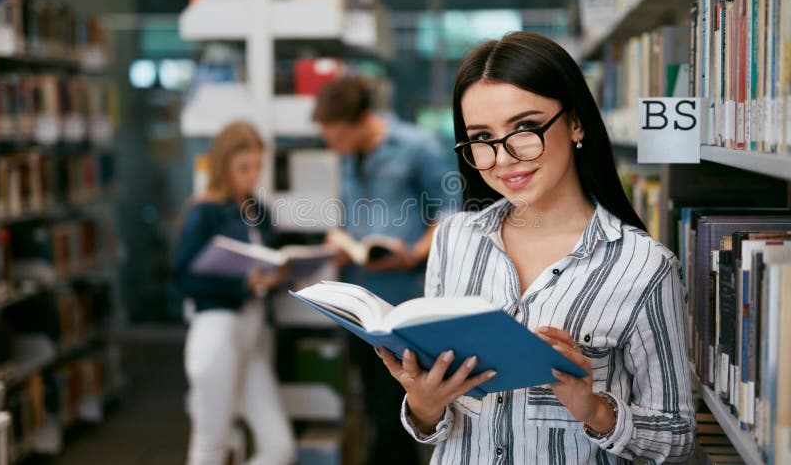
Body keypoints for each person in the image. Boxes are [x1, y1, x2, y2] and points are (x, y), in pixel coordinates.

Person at [376, 32, 696, 464]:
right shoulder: (454, 240)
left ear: (576, 122)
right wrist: (424, 405)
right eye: (482, 137)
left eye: (525, 128)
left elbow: (678, 437)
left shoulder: (644, 267)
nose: (503, 158)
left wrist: (595, 410)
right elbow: (438, 425)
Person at [312, 76, 460, 464]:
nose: (333, 145)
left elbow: (451, 211)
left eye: (338, 135)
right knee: (374, 406)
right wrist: (343, 245)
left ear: (363, 119)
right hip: (356, 298)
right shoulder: (349, 156)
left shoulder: (416, 147)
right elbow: (351, 217)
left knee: (398, 404)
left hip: (402, 298)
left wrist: (414, 253)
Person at [172, 122, 295, 465]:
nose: (252, 176)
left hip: (252, 333)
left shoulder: (259, 211)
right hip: (217, 330)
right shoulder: (204, 211)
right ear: (223, 165)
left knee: (279, 447)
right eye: (244, 167)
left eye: (258, 166)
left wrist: (281, 272)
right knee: (212, 444)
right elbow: (183, 279)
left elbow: (272, 258)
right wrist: (243, 284)